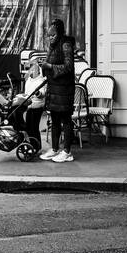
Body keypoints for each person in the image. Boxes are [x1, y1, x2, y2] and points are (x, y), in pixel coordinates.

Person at [38, 18, 76, 163]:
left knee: (66, 120)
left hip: (64, 89)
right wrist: (44, 65)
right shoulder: (53, 46)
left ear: (59, 33)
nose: (50, 38)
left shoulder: (66, 44)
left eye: (53, 35)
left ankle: (67, 152)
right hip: (54, 89)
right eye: (49, 36)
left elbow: (68, 66)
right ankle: (54, 149)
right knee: (54, 120)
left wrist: (49, 66)